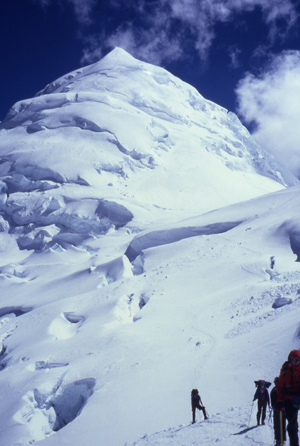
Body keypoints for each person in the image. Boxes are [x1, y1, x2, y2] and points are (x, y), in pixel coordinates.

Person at [277, 350, 300, 446]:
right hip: (289, 401)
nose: (295, 362)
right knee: (292, 426)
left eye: (297, 360)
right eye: (293, 360)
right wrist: (280, 400)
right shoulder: (286, 371)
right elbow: (280, 387)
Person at [271, 377, 286, 445]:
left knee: (282, 425)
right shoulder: (274, 391)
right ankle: (278, 440)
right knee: (277, 426)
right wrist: (276, 407)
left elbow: (286, 400)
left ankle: (283, 440)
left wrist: (283, 407)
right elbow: (273, 402)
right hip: (277, 411)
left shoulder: (283, 390)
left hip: (282, 412)